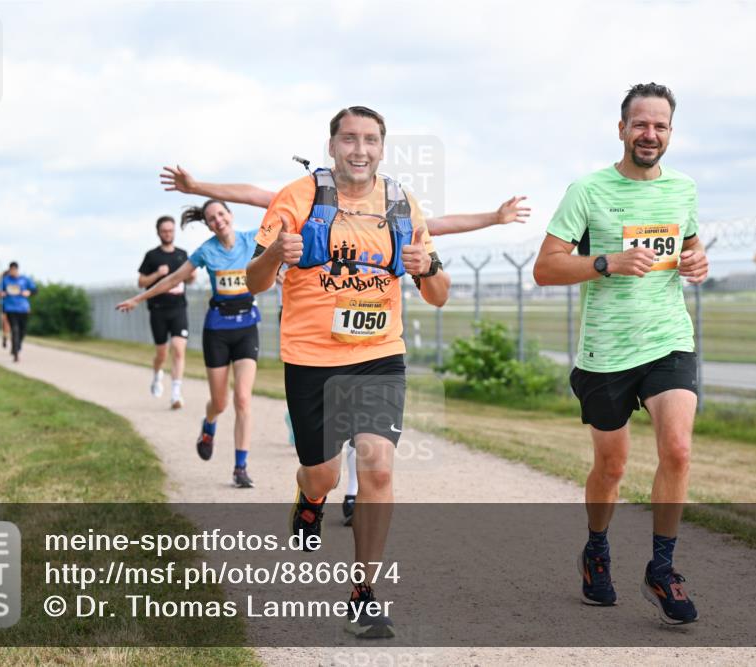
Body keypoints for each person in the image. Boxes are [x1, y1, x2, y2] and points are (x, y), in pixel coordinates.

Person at [160, 163, 531, 525]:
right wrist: (197, 188)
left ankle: (355, 493)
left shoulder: (385, 215)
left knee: (369, 435)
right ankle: (317, 485)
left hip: (371, 344)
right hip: (313, 340)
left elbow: (438, 225)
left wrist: (494, 218)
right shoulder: (306, 204)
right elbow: (256, 195)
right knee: (321, 458)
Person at [246, 106, 450, 638]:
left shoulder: (402, 204)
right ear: (332, 144)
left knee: (377, 465)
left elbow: (438, 295)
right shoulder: (298, 197)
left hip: (380, 352)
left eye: (370, 140)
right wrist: (274, 256)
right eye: (349, 139)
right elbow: (253, 282)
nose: (360, 150)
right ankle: (310, 497)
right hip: (312, 357)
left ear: (382, 148)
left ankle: (364, 591)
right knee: (326, 474)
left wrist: (429, 268)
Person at [533, 83, 708, 625]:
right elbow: (545, 268)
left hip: (668, 340)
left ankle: (662, 568)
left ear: (670, 133)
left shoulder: (684, 189)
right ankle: (597, 549)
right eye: (640, 124)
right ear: (622, 129)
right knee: (611, 467)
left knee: (677, 449)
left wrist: (695, 263)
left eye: (659, 125)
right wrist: (605, 261)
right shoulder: (587, 191)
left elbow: (690, 245)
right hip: (606, 352)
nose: (649, 134)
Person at [118, 201, 261, 489]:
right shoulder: (206, 251)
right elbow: (172, 278)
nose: (218, 220)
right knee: (220, 402)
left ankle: (240, 467)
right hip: (218, 332)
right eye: (211, 218)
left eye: (221, 214)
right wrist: (138, 299)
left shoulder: (252, 239)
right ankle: (208, 425)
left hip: (247, 328)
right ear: (208, 225)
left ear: (230, 216)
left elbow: (284, 238)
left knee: (243, 399)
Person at [137, 215, 192, 409]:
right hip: (158, 310)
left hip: (179, 308)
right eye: (164, 231)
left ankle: (176, 394)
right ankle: (157, 374)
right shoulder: (152, 256)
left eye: (171, 230)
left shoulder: (182, 255)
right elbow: (141, 282)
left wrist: (192, 276)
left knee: (178, 349)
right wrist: (157, 275)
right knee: (162, 353)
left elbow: (190, 280)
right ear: (158, 232)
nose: (168, 233)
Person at [0, 262, 37, 362]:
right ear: (9, 270)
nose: (13, 272)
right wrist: (1, 293)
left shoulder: (24, 279)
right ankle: (16, 353)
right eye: (11, 270)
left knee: (23, 331)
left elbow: (35, 290)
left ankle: (17, 346)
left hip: (23, 308)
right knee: (15, 329)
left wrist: (29, 292)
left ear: (17, 270)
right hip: (10, 308)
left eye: (14, 270)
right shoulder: (5, 280)